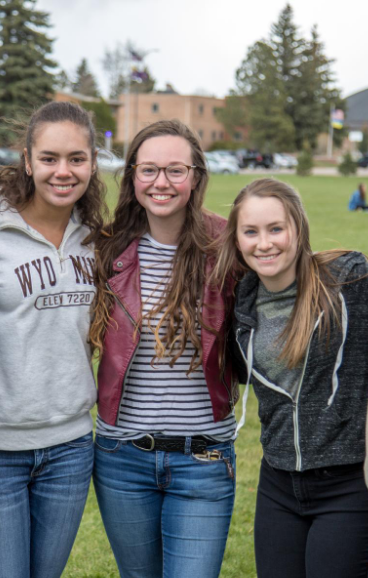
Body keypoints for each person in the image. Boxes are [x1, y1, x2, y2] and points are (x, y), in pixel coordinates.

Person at [0, 101, 106, 578]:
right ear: (27, 160)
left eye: (76, 159)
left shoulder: (97, 238)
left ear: (92, 162)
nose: (63, 171)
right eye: (49, 158)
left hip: (70, 446)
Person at [89, 119, 239, 578]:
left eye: (176, 170)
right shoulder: (106, 249)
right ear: (132, 175)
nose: (161, 182)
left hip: (204, 458)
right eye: (149, 169)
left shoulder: (228, 246)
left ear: (195, 176)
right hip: (121, 459)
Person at [212, 178, 368, 578]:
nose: (264, 243)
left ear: (298, 228)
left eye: (275, 229)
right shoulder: (242, 302)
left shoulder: (348, 282)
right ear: (238, 239)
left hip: (347, 484)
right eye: (251, 232)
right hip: (278, 484)